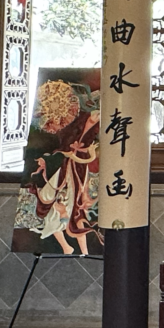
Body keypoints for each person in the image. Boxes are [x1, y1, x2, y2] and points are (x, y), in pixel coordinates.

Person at [30, 79, 101, 255]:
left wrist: (85, 152)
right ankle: (68, 247)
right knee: (51, 200)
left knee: (75, 209)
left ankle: (82, 250)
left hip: (80, 167)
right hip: (67, 164)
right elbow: (65, 146)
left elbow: (90, 152)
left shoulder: (98, 127)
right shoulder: (74, 122)